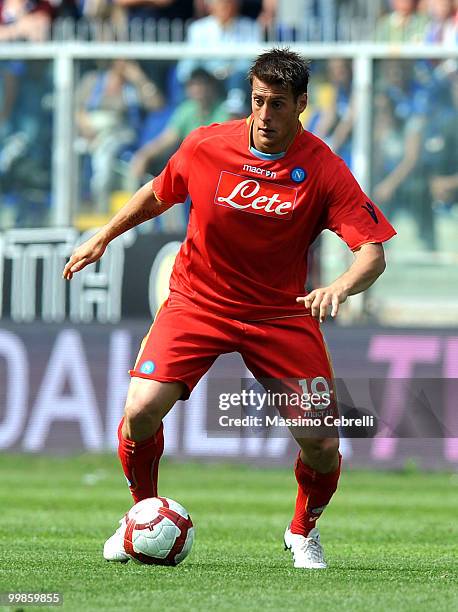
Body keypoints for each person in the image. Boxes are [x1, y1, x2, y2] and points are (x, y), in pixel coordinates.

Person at [63, 48, 396, 569]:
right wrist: (102, 237)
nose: (264, 115)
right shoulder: (207, 144)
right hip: (199, 301)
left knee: (323, 444)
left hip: (281, 314)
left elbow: (372, 255)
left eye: (278, 104)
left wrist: (340, 287)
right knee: (140, 411)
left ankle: (302, 532)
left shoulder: (325, 168)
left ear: (302, 104)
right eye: (258, 101)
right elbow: (158, 192)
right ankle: (142, 516)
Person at [130, 68, 229, 183]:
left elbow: (221, 147)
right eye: (193, 85)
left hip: (212, 167)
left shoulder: (224, 111)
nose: (198, 89)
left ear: (211, 87)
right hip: (189, 166)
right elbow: (168, 139)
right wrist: (144, 155)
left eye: (201, 84)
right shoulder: (186, 109)